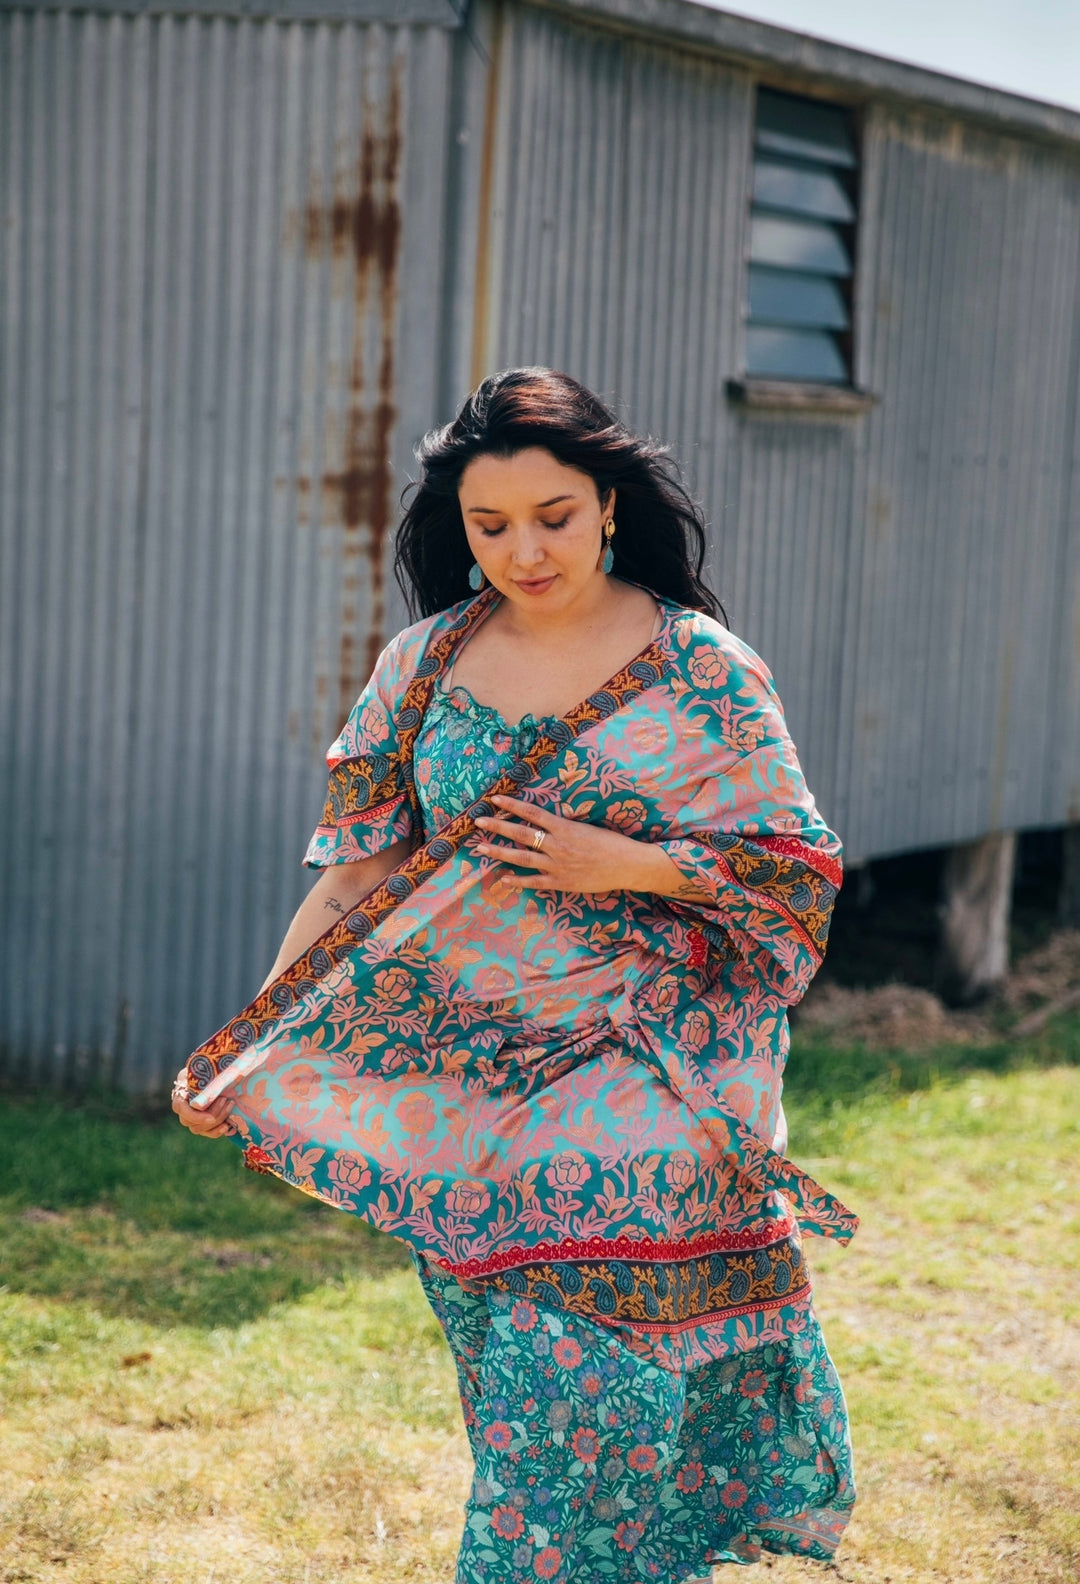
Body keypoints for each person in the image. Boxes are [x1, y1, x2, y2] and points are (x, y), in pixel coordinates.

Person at [173, 367, 857, 1580]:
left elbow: (795, 871)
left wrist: (626, 863)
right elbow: (356, 873)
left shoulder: (703, 667)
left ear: (609, 504)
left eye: (553, 517)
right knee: (525, 1386)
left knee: (580, 1383)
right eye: (490, 526)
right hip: (466, 1076)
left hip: (654, 1065)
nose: (523, 552)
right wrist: (253, 1038)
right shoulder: (422, 665)